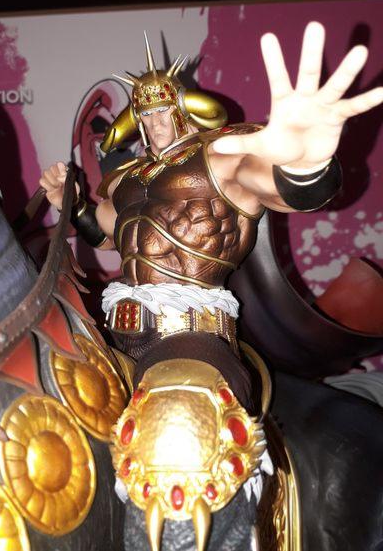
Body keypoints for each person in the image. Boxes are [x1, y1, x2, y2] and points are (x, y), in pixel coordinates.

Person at [41, 24, 382, 373]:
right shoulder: (127, 180)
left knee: (176, 403)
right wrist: (73, 205)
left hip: (194, 334)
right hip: (120, 329)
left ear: (182, 109)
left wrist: (304, 165)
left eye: (162, 111)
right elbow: (107, 236)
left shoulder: (219, 156)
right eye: (146, 114)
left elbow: (280, 189)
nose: (155, 123)